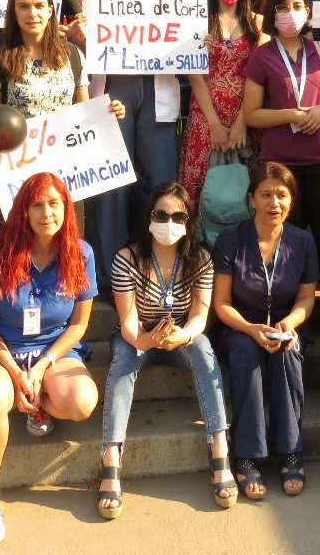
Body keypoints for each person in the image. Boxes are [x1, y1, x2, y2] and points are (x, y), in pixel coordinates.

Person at [0, 172, 98, 546]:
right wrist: (12, 368)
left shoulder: (81, 253)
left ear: (65, 209)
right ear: (22, 210)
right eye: (36, 204)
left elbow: (79, 324)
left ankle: (38, 404)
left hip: (54, 349)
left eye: (54, 203)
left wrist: (39, 368)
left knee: (83, 401)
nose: (45, 212)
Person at [98, 182, 236, 519]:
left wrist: (183, 336)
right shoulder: (126, 258)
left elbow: (201, 315)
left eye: (179, 215)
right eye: (161, 214)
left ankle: (219, 448)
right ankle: (111, 456)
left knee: (203, 350)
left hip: (180, 335)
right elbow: (128, 322)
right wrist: (145, 340)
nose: (169, 222)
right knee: (124, 360)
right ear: (149, 217)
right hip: (138, 334)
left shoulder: (201, 258)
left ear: (189, 221)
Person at [0, 0, 125, 226]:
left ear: (51, 10)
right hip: (16, 179)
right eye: (23, 6)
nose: (32, 13)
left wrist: (108, 113)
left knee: (67, 254)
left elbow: (84, 116)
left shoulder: (73, 55)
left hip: (66, 178)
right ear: (13, 12)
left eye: (39, 6)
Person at [210, 162, 317, 499]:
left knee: (289, 352)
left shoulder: (303, 241)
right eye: (266, 194)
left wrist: (291, 323)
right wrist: (250, 329)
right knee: (246, 351)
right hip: (238, 326)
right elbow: (222, 303)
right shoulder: (231, 240)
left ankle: (290, 449)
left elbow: (305, 297)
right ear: (252, 199)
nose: (275, 203)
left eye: (282, 195)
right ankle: (246, 454)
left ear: (292, 200)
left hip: (283, 325)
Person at [242, 0, 320, 327]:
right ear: (272, 14)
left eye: (298, 6)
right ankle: (282, 317)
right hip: (280, 165)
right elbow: (252, 114)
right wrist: (290, 114)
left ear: (308, 12)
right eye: (283, 8)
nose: (291, 14)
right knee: (284, 242)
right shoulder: (262, 56)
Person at [89, 0, 181, 288]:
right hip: (114, 91)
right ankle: (113, 278)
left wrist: (195, 46)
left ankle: (160, 272)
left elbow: (182, 47)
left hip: (158, 91)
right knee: (112, 183)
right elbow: (92, 49)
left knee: (162, 183)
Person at [179, 0, 267, 210]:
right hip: (205, 120)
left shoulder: (259, 23)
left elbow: (261, 77)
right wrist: (215, 125)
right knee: (200, 193)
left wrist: (243, 121)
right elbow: (194, 76)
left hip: (247, 120)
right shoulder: (197, 20)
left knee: (245, 193)